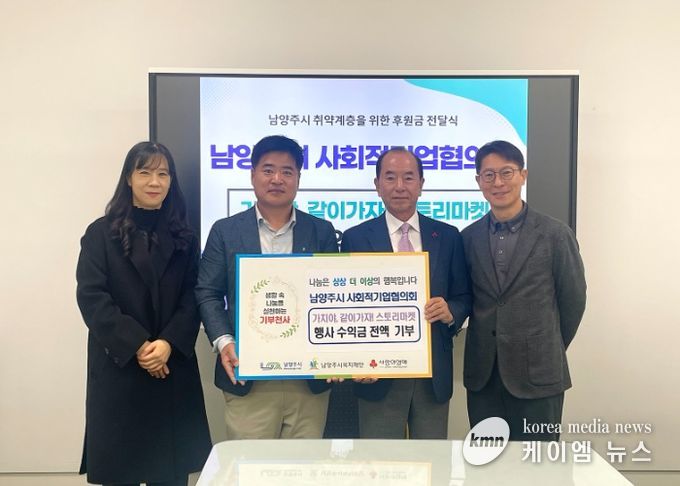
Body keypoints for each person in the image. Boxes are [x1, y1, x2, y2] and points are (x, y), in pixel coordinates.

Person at [76, 142, 212, 486]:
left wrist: (166, 344)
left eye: (163, 174)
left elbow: (193, 297)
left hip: (171, 368)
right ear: (128, 177)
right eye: (145, 172)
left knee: (170, 474)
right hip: (120, 369)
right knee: (120, 473)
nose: (155, 181)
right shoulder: (99, 234)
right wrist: (138, 345)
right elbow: (92, 297)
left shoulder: (185, 237)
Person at [195, 135, 338, 439]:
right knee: (250, 465)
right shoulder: (225, 231)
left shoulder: (321, 231)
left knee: (304, 465)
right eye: (268, 170)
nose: (277, 179)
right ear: (252, 175)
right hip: (248, 377)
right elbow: (207, 292)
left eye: (287, 171)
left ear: (298, 178)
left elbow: (333, 298)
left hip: (308, 382)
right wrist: (224, 341)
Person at [340, 147, 472, 439]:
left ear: (421, 184)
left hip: (432, 375)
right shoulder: (355, 238)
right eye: (390, 177)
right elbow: (345, 308)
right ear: (377, 185)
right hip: (377, 374)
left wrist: (451, 311)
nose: (399, 186)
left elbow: (464, 296)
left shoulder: (448, 235)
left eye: (409, 177)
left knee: (432, 460)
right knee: (380, 461)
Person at [461, 140, 587, 441]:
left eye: (507, 172)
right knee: (488, 462)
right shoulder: (468, 237)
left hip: (539, 377)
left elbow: (573, 301)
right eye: (489, 175)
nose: (498, 182)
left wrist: (544, 346)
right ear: (479, 181)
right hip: (484, 378)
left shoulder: (555, 234)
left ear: (523, 175)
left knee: (537, 463)